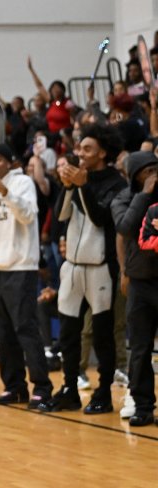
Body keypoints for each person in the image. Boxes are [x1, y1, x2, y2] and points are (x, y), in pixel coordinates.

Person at [40, 124, 127, 414]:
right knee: (67, 333)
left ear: (102, 153)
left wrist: (81, 185)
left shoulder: (116, 184)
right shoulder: (78, 180)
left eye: (87, 149)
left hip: (100, 267)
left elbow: (101, 218)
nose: (80, 153)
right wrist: (68, 187)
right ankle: (68, 388)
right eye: (79, 148)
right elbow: (62, 216)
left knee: (102, 335)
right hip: (72, 267)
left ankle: (102, 391)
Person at [0, 144, 53, 408]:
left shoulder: (22, 183)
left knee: (26, 330)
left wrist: (5, 191)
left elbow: (29, 216)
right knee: (4, 334)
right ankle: (14, 387)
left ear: (10, 162)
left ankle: (42, 388)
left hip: (20, 269)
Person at [112, 151, 158, 425]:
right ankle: (143, 405)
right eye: (148, 169)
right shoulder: (124, 198)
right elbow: (125, 227)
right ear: (134, 175)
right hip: (140, 283)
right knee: (140, 349)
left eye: (157, 167)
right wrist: (145, 194)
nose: (154, 173)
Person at [27, 56, 73, 134]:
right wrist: (31, 70)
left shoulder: (67, 103)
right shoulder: (51, 101)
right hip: (51, 133)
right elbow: (40, 86)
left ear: (63, 91)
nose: (55, 91)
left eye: (58, 89)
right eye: (53, 89)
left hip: (64, 133)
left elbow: (74, 116)